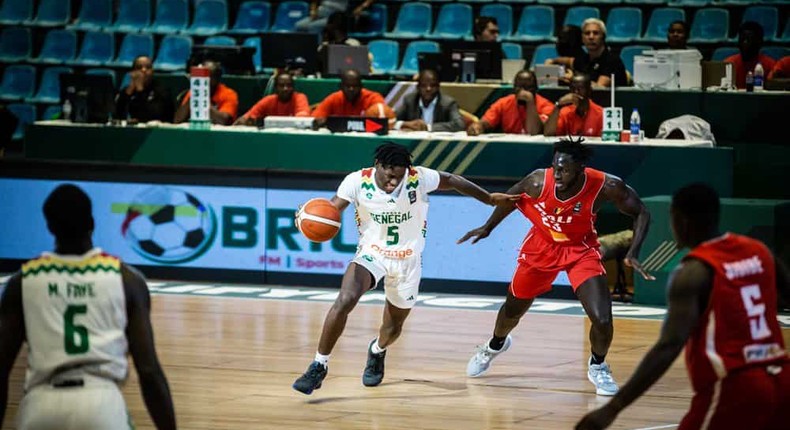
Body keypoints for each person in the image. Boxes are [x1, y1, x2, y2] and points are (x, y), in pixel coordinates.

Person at [292, 143, 520, 395]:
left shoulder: (418, 178)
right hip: (372, 255)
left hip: (408, 262)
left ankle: (377, 350)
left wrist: (488, 199)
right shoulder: (356, 181)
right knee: (345, 299)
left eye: (399, 177)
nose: (394, 182)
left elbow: (453, 180)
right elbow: (332, 210)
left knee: (392, 329)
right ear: (378, 166)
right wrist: (310, 218)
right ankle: (319, 365)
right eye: (390, 176)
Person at [576, 183, 790, 430]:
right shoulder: (758, 251)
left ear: (681, 220)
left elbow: (668, 347)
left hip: (733, 388)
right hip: (781, 380)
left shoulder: (694, 271)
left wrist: (613, 408)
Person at [460, 137, 653, 396]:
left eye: (564, 169)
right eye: (555, 167)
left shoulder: (605, 186)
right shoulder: (539, 181)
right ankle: (495, 345)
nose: (558, 174)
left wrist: (634, 251)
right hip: (541, 246)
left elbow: (641, 212)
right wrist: (487, 227)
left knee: (603, 319)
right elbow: (510, 199)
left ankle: (598, 366)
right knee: (513, 310)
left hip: (580, 250)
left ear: (581, 169)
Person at [0, 184, 176, 429]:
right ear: (92, 222)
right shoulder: (126, 280)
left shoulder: (22, 282)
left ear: (49, 227)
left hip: (41, 405)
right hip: (101, 403)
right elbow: (148, 371)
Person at [467, 70, 553, 136]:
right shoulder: (503, 103)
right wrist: (478, 126)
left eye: (528, 88)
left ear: (536, 89)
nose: (523, 92)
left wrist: (530, 102)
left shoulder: (546, 106)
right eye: (519, 87)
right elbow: (486, 122)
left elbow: (534, 131)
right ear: (514, 88)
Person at [550, 19, 627, 88]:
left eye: (596, 33)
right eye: (587, 33)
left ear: (603, 37)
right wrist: (552, 61)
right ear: (582, 39)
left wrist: (573, 79)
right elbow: (568, 61)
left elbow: (599, 88)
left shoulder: (612, 60)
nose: (591, 37)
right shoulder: (585, 59)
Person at [394, 69, 464, 132]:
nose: (428, 89)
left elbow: (459, 124)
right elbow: (391, 120)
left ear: (438, 87)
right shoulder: (410, 101)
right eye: (424, 85)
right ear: (418, 87)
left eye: (432, 85)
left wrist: (428, 127)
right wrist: (405, 124)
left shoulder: (448, 103)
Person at [312, 69, 386, 128]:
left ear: (361, 86)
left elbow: (383, 122)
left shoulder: (373, 98)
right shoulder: (334, 98)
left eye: (355, 86)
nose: (351, 89)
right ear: (341, 86)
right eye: (347, 86)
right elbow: (314, 119)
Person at [174, 60, 239, 125]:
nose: (202, 79)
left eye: (206, 76)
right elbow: (177, 121)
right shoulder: (194, 92)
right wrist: (193, 98)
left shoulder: (229, 94)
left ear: (216, 78)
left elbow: (223, 122)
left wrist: (203, 100)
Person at [114, 55, 174, 123]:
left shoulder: (162, 90)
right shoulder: (127, 91)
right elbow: (118, 115)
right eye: (139, 68)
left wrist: (140, 90)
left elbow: (152, 116)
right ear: (133, 72)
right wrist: (129, 91)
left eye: (148, 67)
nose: (143, 70)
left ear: (152, 71)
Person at [234, 73, 310, 126]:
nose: (285, 89)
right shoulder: (268, 100)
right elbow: (244, 119)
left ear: (293, 88)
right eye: (281, 85)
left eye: (289, 85)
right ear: (275, 88)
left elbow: (302, 120)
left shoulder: (300, 98)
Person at [724, 21, 776, 90]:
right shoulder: (729, 63)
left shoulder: (770, 65)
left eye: (749, 39)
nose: (745, 42)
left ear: (760, 42)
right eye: (742, 39)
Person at [296, 0, 372, 34]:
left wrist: (362, 7)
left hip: (334, 17)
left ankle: (315, 52)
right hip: (319, 14)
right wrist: (313, 11)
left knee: (313, 26)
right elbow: (315, 2)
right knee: (299, 25)